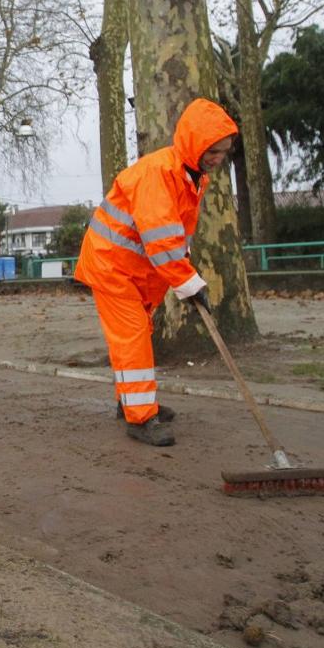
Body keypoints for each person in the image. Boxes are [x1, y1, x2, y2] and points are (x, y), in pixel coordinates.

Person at [73, 98, 238, 447]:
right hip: (112, 266)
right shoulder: (158, 174)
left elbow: (177, 236)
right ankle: (140, 418)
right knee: (132, 337)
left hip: (134, 269)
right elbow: (162, 239)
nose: (218, 159)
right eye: (214, 150)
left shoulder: (192, 176)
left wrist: (185, 274)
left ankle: (133, 401)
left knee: (134, 336)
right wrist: (189, 283)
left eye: (223, 152)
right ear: (196, 143)